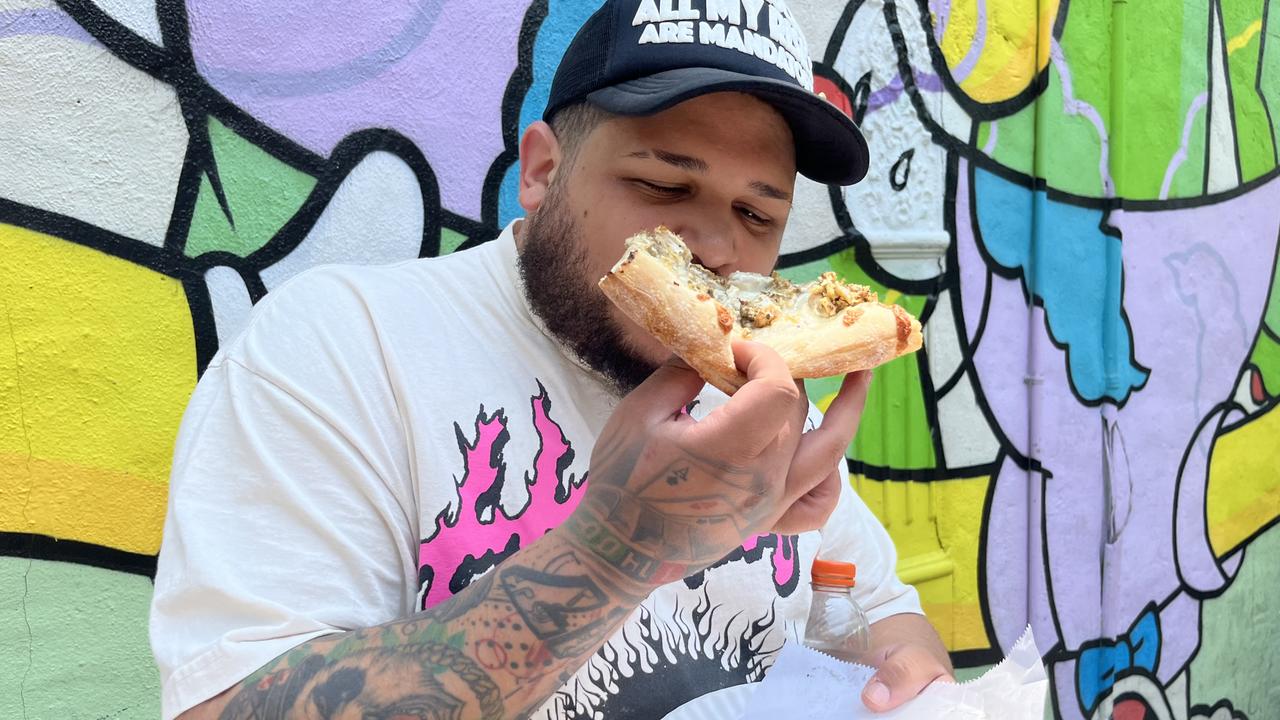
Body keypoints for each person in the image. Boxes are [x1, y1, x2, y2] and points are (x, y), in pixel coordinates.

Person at [150, 1, 954, 717]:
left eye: (755, 212)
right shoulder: (340, 347)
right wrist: (622, 542)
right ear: (542, 171)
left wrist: (902, 669)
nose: (715, 247)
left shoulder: (762, 407)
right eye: (665, 186)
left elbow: (873, 607)